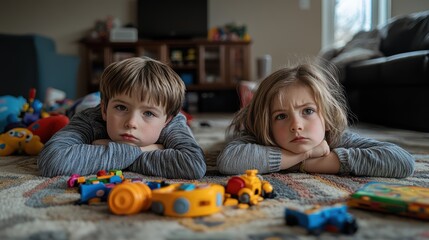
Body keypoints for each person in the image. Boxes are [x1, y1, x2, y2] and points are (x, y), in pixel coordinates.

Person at [217, 59, 415, 178]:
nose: (296, 126)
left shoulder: (335, 138)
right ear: (266, 125)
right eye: (281, 116)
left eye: (308, 111)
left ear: (327, 117)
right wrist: (304, 155)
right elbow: (228, 161)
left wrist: (311, 164)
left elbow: (402, 161)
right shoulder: (258, 136)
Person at [38, 57, 206, 179]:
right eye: (121, 107)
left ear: (167, 120)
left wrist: (110, 150)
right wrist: (145, 149)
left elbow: (193, 165)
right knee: (68, 109)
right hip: (87, 104)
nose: (131, 123)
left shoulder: (173, 123)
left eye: (148, 113)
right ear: (105, 110)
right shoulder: (90, 117)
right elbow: (51, 161)